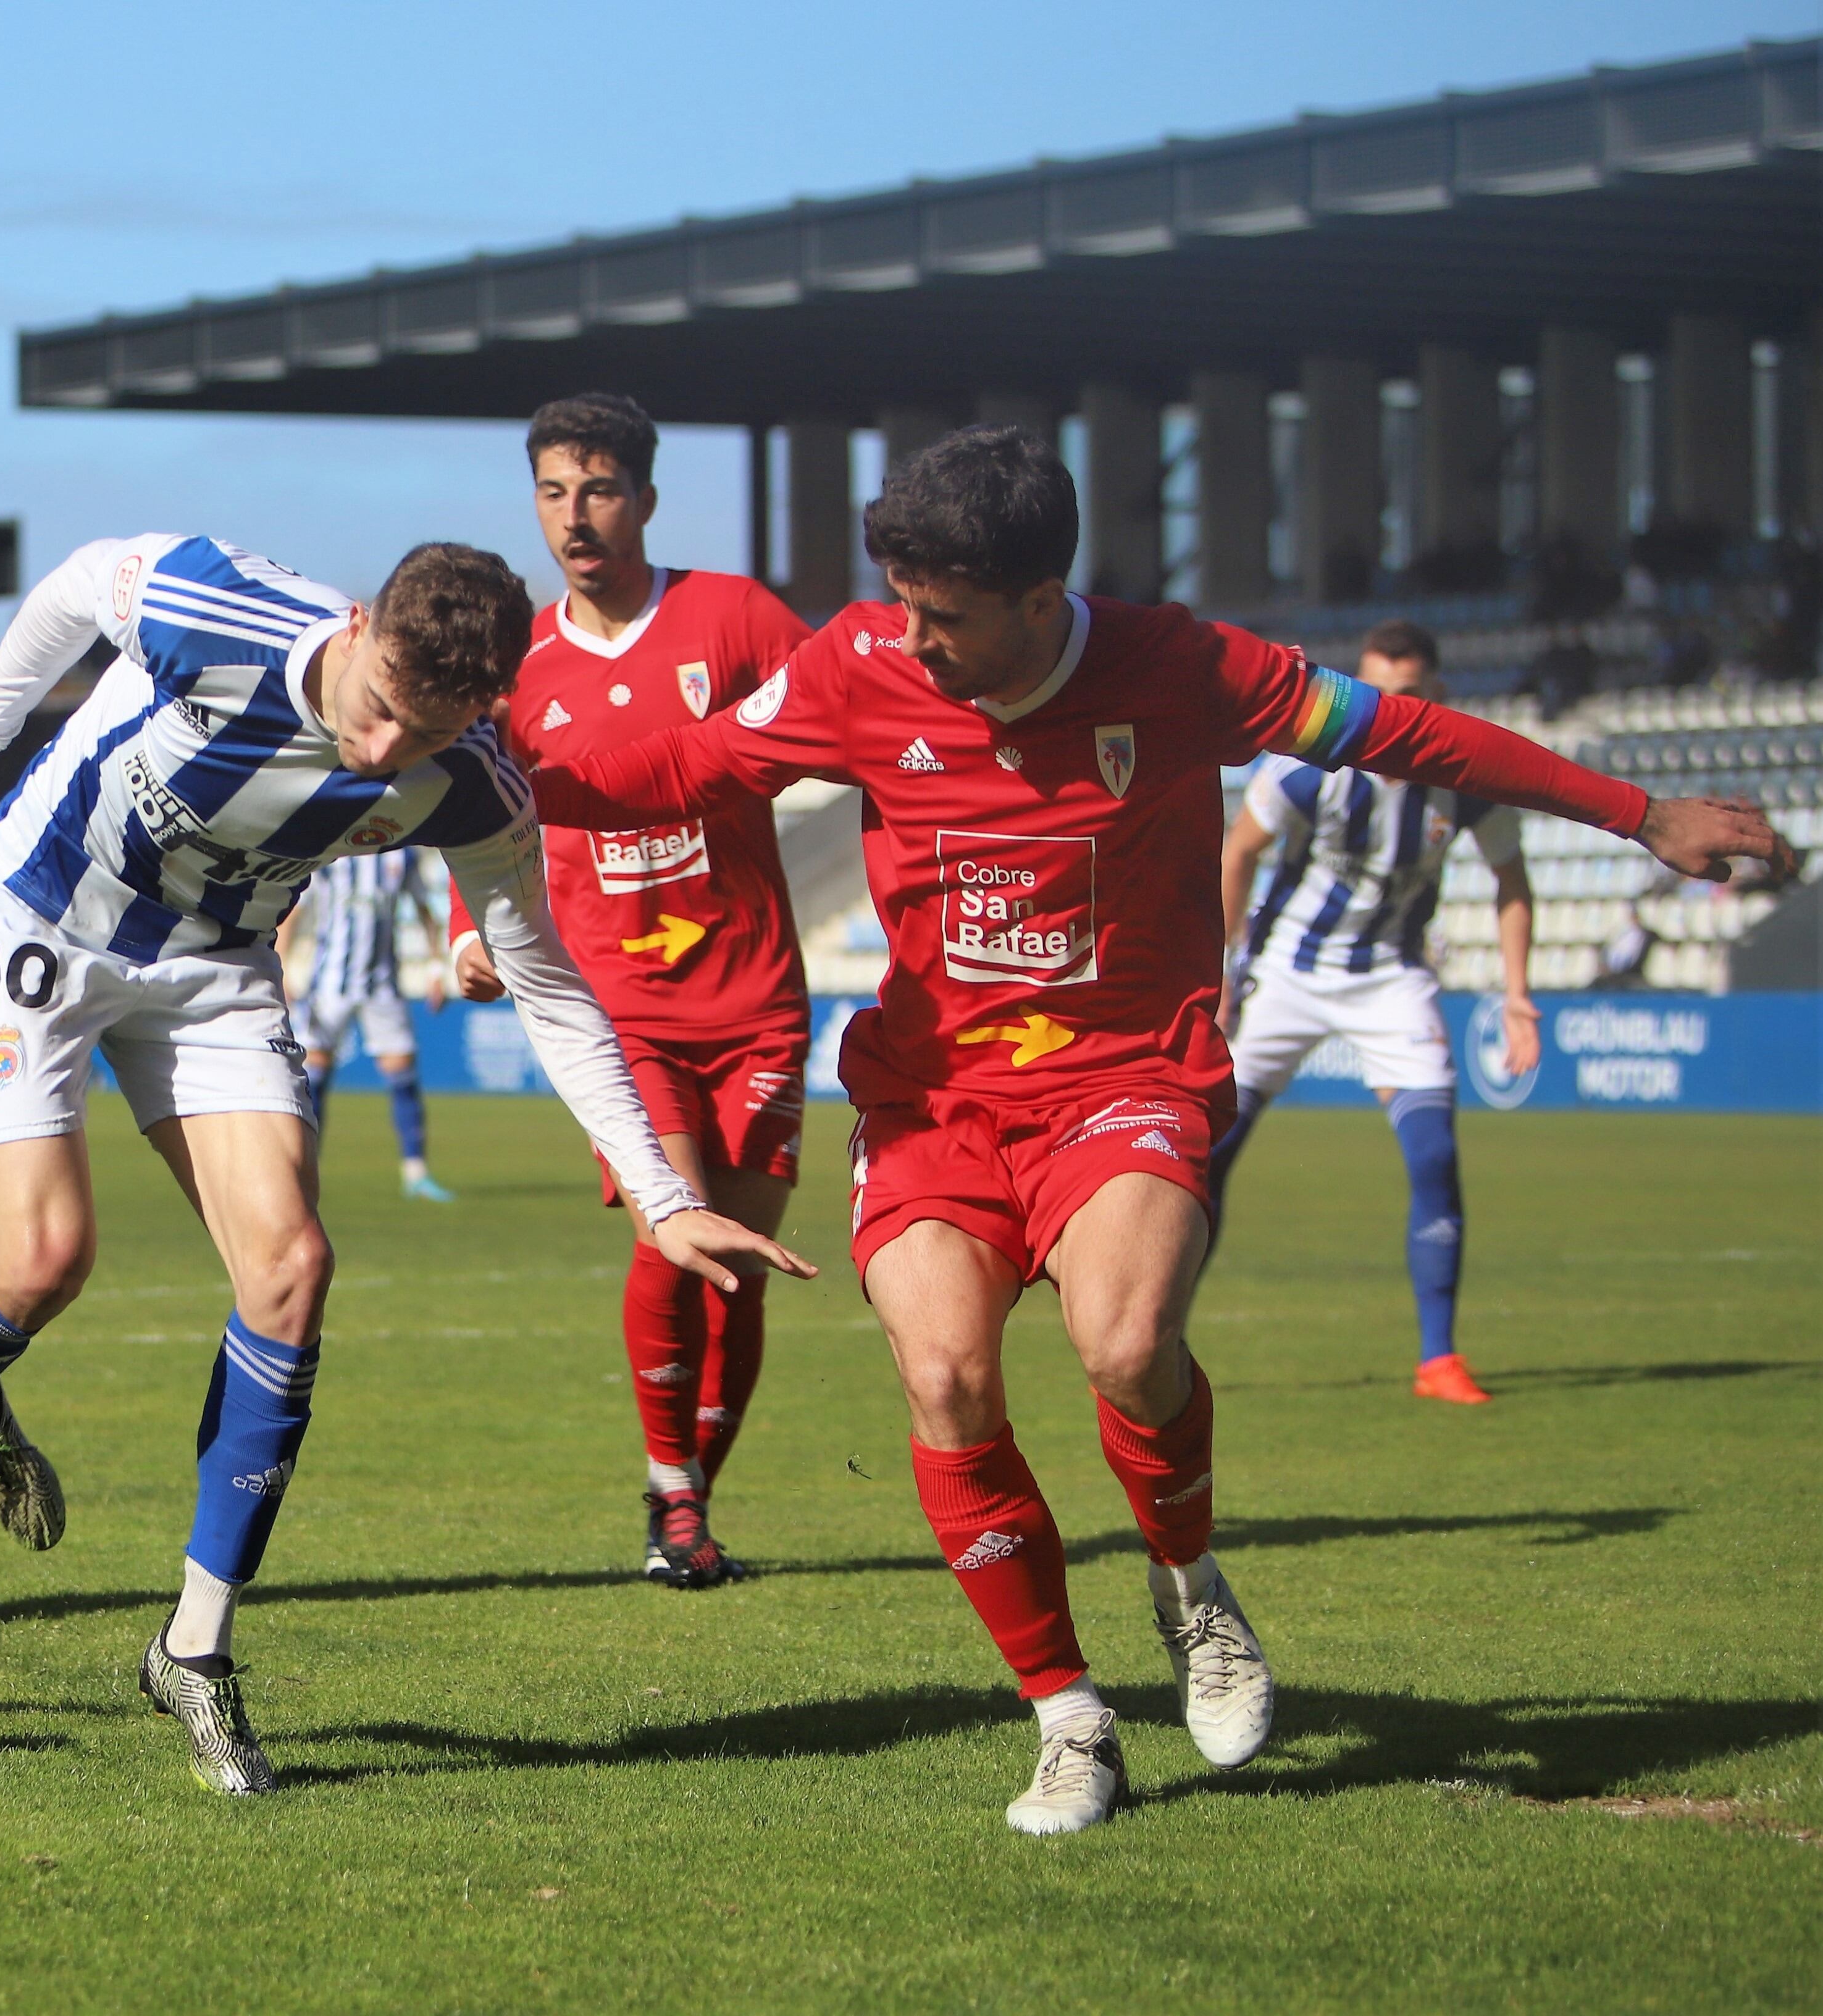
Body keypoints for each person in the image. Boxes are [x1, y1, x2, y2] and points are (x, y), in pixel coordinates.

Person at [526, 427, 1796, 1835]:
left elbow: (1405, 735)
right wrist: (485, 781)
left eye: (940, 618)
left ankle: (1187, 1585)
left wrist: (1632, 813)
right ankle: (1066, 1717)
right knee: (945, 1377)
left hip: (1122, 1076)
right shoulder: (855, 666)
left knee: (1125, 1345)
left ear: (1034, 597)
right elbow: (687, 766)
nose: (912, 641)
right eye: (899, 605)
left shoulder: (1182, 667)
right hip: (931, 1098)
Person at [0, 532, 810, 1797]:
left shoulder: (474, 785)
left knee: (292, 1270)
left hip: (212, 973)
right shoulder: (222, 611)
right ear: (363, 622)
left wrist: (659, 1195)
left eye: (422, 735)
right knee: (43, 1260)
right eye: (377, 707)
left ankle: (193, 1650)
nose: (379, 754)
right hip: (39, 910)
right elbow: (81, 578)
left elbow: (543, 983)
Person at [450, 392, 812, 1588]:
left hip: (753, 995)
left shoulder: (735, 617)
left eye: (598, 489)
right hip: (615, 1008)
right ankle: (670, 1499)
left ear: (645, 501)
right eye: (553, 492)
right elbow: (472, 797)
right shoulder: (520, 662)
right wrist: (468, 929)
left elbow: (845, 718)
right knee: (673, 1231)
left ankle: (694, 1494)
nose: (575, 516)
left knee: (743, 1257)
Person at [1210, 618, 1536, 1403]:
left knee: (1433, 1159)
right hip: (1286, 972)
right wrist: (1221, 973)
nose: (1393, 711)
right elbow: (1239, 849)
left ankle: (1438, 1360)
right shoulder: (1310, 767)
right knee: (1205, 1156)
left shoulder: (1466, 776)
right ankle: (1158, 1344)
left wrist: (1517, 995)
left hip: (1392, 974)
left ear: (1438, 696)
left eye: (1411, 697)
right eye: (1380, 695)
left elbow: (1512, 879)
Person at [288, 848, 454, 1200]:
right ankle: (306, 1172)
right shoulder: (329, 854)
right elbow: (294, 909)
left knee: (402, 1071)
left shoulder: (401, 855)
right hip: (330, 984)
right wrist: (283, 964)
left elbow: (426, 911)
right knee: (314, 1074)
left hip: (383, 985)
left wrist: (437, 968)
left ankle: (416, 1174)